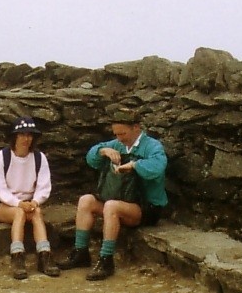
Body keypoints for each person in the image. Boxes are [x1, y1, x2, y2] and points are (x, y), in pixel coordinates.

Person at [58, 110, 168, 281]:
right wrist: (103, 151)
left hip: (146, 207)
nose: (119, 138)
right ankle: (80, 252)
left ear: (136, 128)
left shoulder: (152, 146)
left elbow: (157, 167)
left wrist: (134, 165)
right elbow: (91, 159)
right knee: (86, 201)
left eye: (122, 133)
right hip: (121, 202)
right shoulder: (117, 144)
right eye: (116, 134)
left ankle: (106, 259)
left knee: (111, 205)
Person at [0, 116, 57, 280]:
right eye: (22, 134)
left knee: (37, 212)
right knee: (19, 213)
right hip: (3, 204)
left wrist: (35, 202)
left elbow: (44, 186)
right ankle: (18, 256)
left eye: (29, 135)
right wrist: (19, 203)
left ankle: (44, 256)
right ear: (14, 136)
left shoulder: (39, 158)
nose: (26, 139)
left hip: (29, 203)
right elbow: (0, 189)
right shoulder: (1, 157)